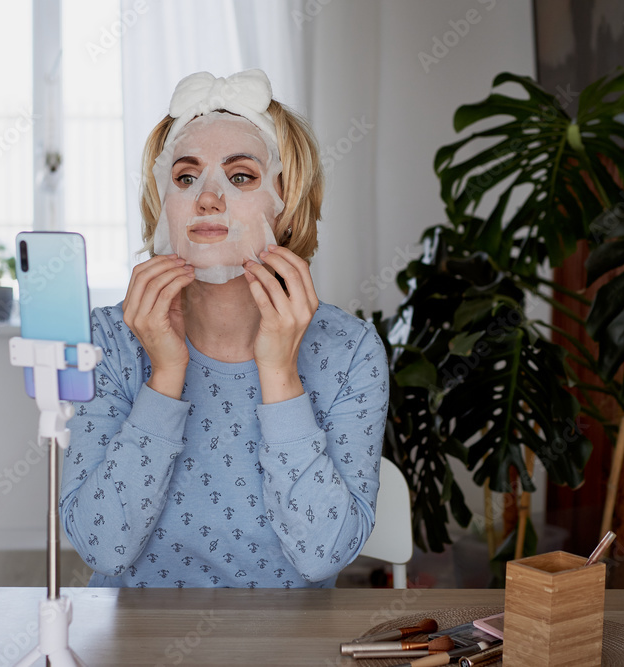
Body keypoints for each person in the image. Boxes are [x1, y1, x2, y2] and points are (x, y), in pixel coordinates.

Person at [60, 69, 388, 588]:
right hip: (136, 631)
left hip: (290, 633)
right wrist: (165, 375)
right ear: (163, 205)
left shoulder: (349, 350)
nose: (207, 197)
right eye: (185, 178)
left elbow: (323, 555)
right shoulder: (108, 340)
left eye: (240, 177)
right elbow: (102, 547)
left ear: (288, 204)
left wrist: (280, 373)